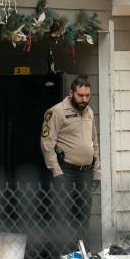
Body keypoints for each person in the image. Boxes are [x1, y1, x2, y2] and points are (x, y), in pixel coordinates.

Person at [40, 75, 100, 248]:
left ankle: (82, 255)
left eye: (87, 95)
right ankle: (63, 256)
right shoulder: (56, 112)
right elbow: (47, 143)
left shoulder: (88, 112)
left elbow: (94, 143)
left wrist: (97, 172)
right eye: (80, 95)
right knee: (64, 215)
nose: (84, 99)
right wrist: (56, 171)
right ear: (71, 93)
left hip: (86, 171)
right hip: (66, 171)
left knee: (83, 215)